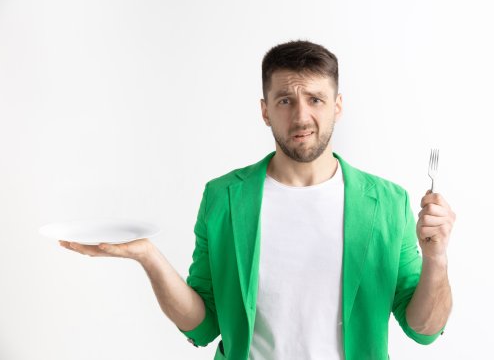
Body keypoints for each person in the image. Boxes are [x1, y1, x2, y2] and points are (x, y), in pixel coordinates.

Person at [60, 40, 456, 360]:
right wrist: (148, 256)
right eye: (285, 100)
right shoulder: (224, 197)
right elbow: (203, 324)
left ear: (338, 106)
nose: (301, 116)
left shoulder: (387, 203)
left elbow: (422, 328)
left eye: (316, 99)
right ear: (265, 111)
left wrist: (436, 258)